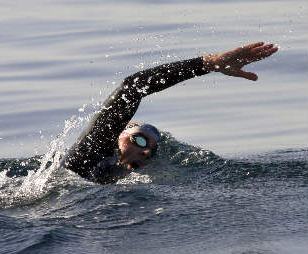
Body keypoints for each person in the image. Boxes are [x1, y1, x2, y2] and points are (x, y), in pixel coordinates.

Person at [61, 42, 278, 183]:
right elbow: (133, 87)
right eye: (142, 142)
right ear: (121, 134)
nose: (146, 153)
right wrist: (207, 64)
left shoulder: (116, 181)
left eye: (152, 151)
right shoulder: (88, 154)